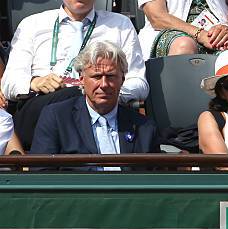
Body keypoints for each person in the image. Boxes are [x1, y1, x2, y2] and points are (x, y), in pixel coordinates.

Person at [1, 0, 148, 151]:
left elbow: (139, 83)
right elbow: (9, 83)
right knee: (75, 98)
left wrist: (101, 90)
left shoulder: (120, 25)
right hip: (42, 104)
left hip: (99, 108)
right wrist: (35, 82)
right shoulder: (32, 24)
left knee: (81, 96)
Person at [30, 41, 160, 170]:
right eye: (97, 76)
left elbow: (157, 181)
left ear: (122, 80)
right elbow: (41, 175)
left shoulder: (144, 127)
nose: (104, 84)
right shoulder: (56, 118)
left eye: (110, 76)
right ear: (81, 80)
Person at [138, 0, 228, 60]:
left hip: (217, 31)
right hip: (172, 30)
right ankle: (182, 107)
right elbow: (157, 17)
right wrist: (200, 34)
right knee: (184, 46)